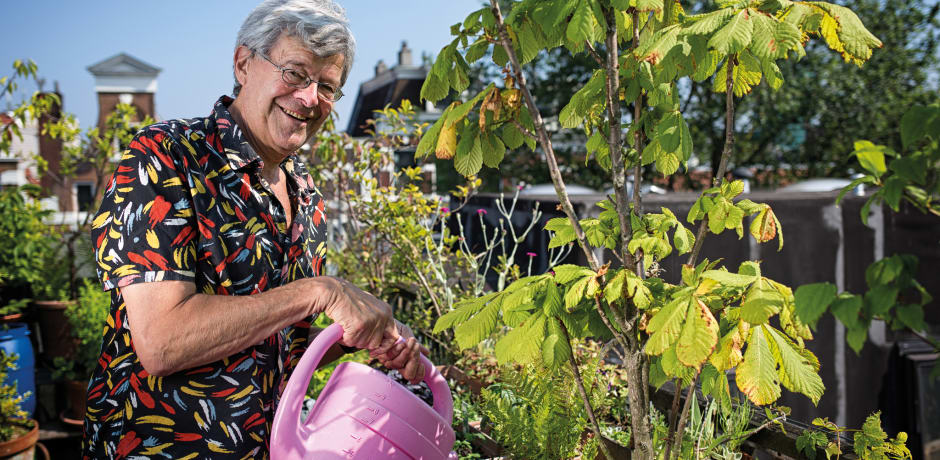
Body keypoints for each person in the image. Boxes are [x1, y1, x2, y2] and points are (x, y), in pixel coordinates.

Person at [82, 0, 427, 457]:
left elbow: (279, 351)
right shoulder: (166, 157)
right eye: (295, 73)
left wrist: (361, 336)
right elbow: (162, 342)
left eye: (327, 86)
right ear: (244, 64)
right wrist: (318, 292)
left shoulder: (305, 193)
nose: (310, 99)